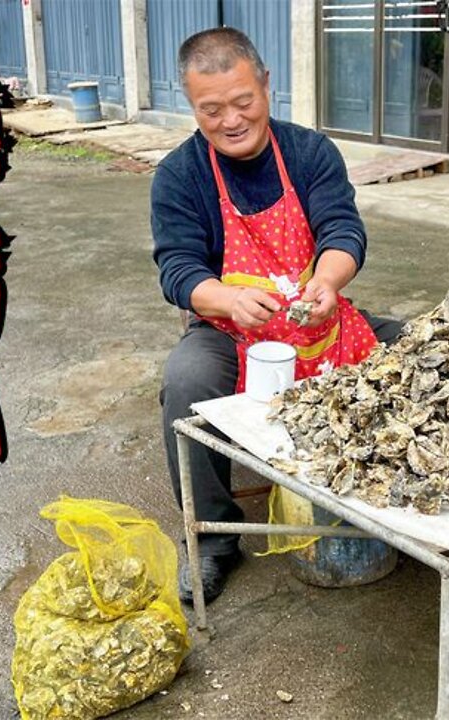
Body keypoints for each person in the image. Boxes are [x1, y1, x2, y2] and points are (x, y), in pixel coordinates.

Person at [152, 28, 403, 604]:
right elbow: (179, 270)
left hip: (321, 320)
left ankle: (403, 499)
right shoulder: (179, 175)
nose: (231, 120)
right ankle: (213, 540)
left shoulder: (309, 152)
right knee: (186, 384)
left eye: (243, 102)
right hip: (228, 330)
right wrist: (230, 300)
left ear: (266, 86)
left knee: (422, 351)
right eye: (211, 110)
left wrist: (328, 282)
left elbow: (343, 229)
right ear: (190, 105)